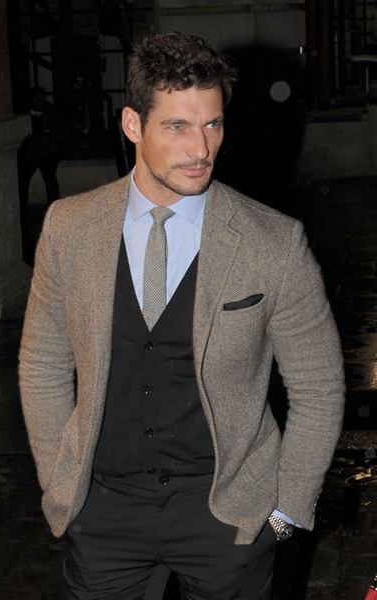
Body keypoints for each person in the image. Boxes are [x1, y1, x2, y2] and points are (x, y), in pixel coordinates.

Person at [19, 32, 345, 599]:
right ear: (132, 124)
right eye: (177, 126)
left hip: (227, 517)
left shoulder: (273, 242)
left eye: (212, 124)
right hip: (104, 513)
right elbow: (42, 365)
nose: (201, 148)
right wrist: (60, 486)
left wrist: (285, 511)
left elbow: (318, 385)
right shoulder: (69, 229)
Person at [17, 86, 68, 260]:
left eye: (41, 97)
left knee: (49, 176)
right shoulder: (26, 114)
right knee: (23, 178)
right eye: (36, 98)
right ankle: (22, 205)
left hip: (48, 152)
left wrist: (50, 137)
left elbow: (60, 133)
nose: (39, 101)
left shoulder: (51, 112)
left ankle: (53, 207)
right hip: (31, 153)